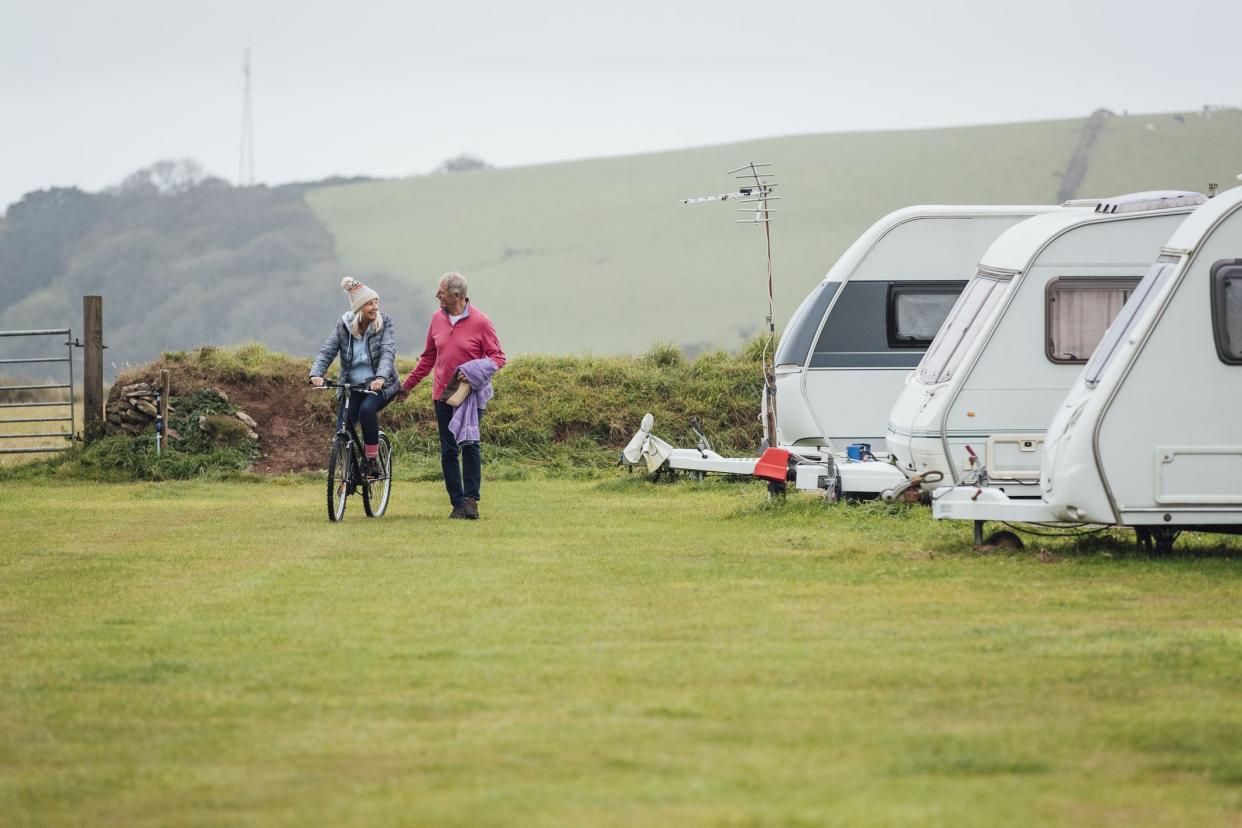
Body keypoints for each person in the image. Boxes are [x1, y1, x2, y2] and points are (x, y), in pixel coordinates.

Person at [400, 272, 506, 519]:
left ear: (457, 296)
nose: (437, 295)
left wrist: (473, 371)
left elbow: (498, 357)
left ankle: (471, 501)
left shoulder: (481, 322)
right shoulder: (437, 319)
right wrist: (407, 386)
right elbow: (428, 358)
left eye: (442, 292)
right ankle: (458, 503)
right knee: (448, 451)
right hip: (442, 396)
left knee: (470, 446)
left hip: (468, 397)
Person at [309, 277, 399, 478]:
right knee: (343, 427)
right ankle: (348, 474)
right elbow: (327, 351)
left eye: (376, 302)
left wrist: (381, 378)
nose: (375, 307)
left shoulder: (385, 324)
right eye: (369, 303)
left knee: (367, 410)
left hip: (380, 386)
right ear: (359, 308)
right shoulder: (344, 327)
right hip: (352, 386)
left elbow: (387, 352)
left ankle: (372, 461)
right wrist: (316, 373)